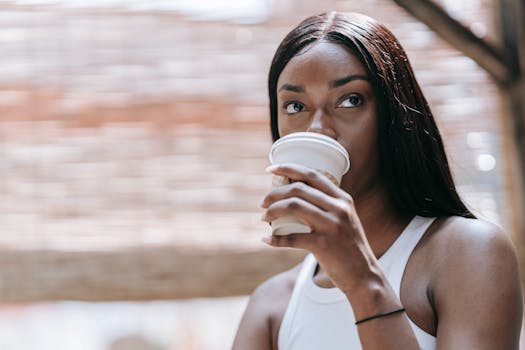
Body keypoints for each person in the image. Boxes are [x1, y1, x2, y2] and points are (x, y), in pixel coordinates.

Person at [232, 11, 523, 350]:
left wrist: (362, 281)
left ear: (394, 117)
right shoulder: (271, 306)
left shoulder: (467, 253)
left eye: (350, 100)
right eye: (295, 106)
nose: (317, 128)